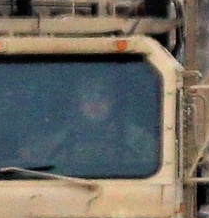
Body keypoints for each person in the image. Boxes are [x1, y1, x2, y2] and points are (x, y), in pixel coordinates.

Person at [26, 76, 157, 178]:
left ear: (114, 101)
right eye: (88, 96)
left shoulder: (138, 140)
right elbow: (31, 165)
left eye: (102, 95)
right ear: (78, 103)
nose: (95, 103)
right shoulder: (58, 141)